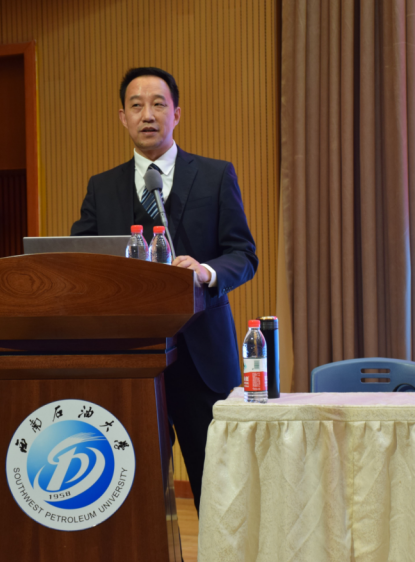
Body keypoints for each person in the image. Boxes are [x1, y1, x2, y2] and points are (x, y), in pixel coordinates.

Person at [71, 67, 257, 512]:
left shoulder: (215, 176)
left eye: (158, 104)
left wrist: (206, 272)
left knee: (218, 490)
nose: (148, 115)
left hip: (201, 358)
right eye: (136, 106)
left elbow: (243, 254)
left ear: (177, 113)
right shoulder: (102, 187)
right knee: (130, 492)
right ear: (123, 117)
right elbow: (81, 261)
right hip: (129, 356)